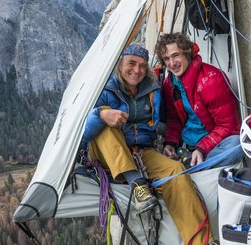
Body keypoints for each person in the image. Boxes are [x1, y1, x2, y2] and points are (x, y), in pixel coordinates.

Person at [81, 44, 215, 244]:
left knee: (175, 171)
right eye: (131, 63)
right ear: (119, 64)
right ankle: (136, 182)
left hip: (140, 151)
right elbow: (82, 131)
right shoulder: (104, 86)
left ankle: (201, 241)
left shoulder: (152, 90)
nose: (137, 70)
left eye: (143, 66)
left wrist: (172, 142)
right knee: (106, 121)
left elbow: (165, 121)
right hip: (105, 152)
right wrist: (101, 114)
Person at [155, 32, 243, 168]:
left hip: (209, 144)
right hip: (185, 142)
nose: (172, 63)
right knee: (153, 127)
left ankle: (195, 166)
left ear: (187, 53)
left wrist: (202, 148)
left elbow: (229, 126)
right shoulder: (169, 83)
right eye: (166, 59)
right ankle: (189, 163)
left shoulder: (211, 79)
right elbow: (174, 120)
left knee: (236, 144)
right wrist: (170, 143)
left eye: (175, 55)